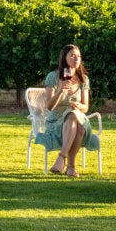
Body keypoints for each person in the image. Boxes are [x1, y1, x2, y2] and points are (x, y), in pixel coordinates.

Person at [37, 45, 99, 178]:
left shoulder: (84, 79)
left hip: (78, 119)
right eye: (72, 55)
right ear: (64, 58)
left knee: (73, 114)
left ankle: (61, 158)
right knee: (79, 128)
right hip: (56, 123)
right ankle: (71, 167)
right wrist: (60, 91)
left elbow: (85, 107)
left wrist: (78, 105)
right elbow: (49, 106)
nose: (76, 58)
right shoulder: (53, 77)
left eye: (78, 56)